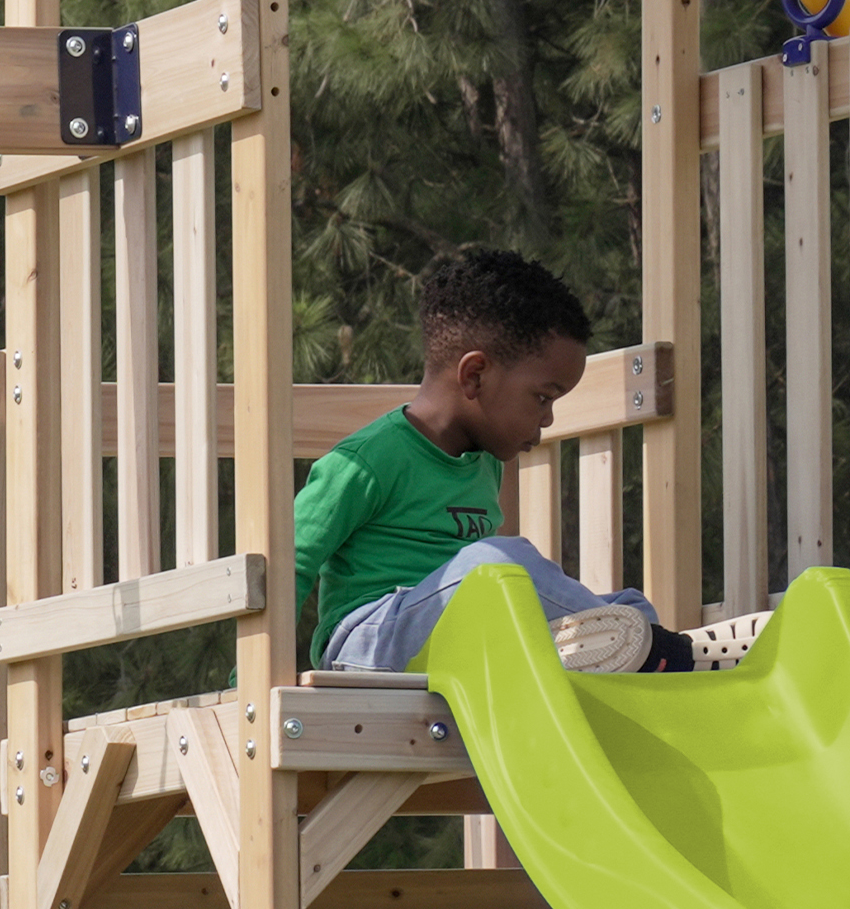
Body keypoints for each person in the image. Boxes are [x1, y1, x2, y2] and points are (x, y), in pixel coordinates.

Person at [297, 245, 693, 676]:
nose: (549, 417)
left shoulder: (484, 461)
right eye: (543, 397)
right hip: (369, 644)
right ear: (474, 376)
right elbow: (290, 560)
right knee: (497, 565)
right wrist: (254, 683)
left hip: (461, 640)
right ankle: (658, 655)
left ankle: (659, 659)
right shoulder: (365, 462)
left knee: (629, 605)